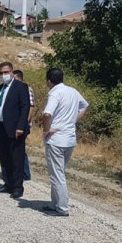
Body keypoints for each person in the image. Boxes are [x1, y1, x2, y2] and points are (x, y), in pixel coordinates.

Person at [41, 67, 89, 216]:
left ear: (49, 81)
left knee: (57, 175)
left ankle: (62, 208)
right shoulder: (73, 91)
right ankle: (54, 203)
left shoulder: (55, 93)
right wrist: (72, 121)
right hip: (69, 139)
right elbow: (85, 105)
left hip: (56, 139)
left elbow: (47, 114)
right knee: (59, 172)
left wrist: (46, 130)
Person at [0, 61, 31, 199]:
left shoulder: (20, 87)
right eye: (1, 73)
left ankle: (17, 187)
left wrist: (21, 126)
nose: (3, 75)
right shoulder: (0, 88)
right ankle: (8, 184)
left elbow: (25, 107)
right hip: (1, 127)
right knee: (4, 158)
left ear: (11, 72)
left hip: (16, 129)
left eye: (6, 72)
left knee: (16, 158)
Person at [13, 70, 36, 181]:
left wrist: (24, 123)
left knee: (19, 149)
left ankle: (25, 174)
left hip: (22, 125)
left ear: (19, 78)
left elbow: (31, 107)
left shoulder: (27, 89)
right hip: (16, 124)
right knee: (14, 148)